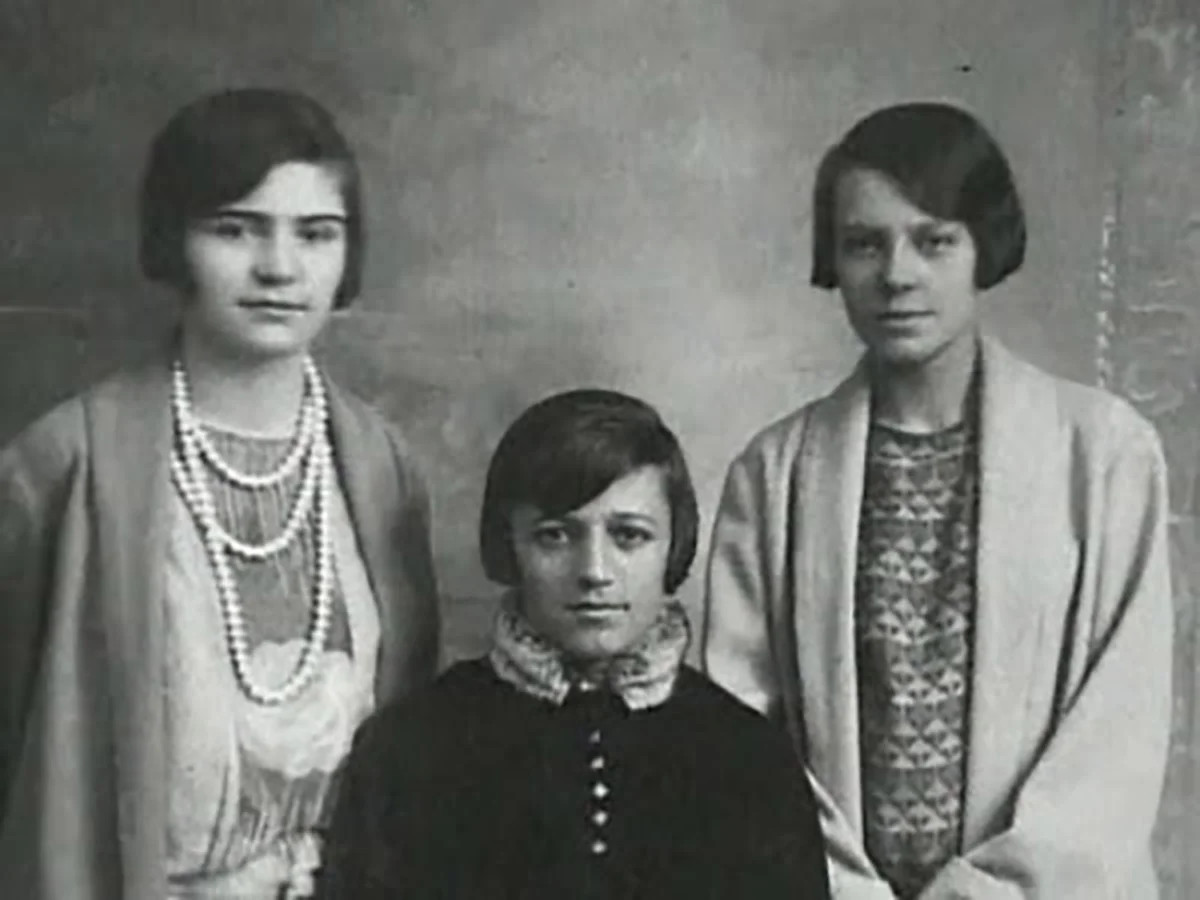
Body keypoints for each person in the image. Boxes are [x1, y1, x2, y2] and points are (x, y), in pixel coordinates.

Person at [702, 102, 1173, 899]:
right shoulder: (773, 474)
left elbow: (1117, 737)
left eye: (934, 240)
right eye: (864, 244)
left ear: (984, 247)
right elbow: (744, 740)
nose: (897, 275)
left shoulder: (1103, 454)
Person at [0, 88, 440, 899]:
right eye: (235, 229)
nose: (280, 267)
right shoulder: (63, 467)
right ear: (173, 240)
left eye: (316, 233)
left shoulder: (381, 467)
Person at [318, 389, 832, 899]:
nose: (594, 571)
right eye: (555, 536)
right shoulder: (410, 749)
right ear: (508, 545)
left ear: (674, 545)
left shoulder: (749, 757)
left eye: (629, 536)